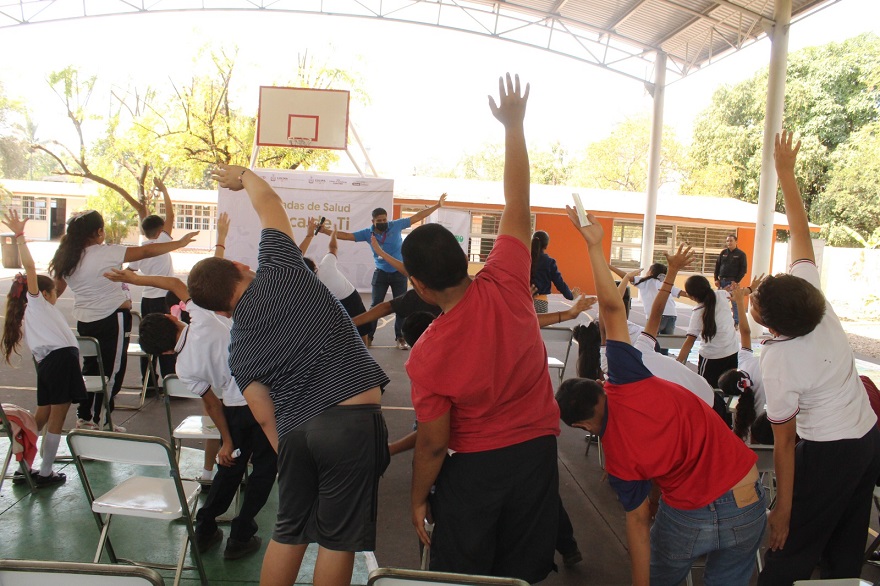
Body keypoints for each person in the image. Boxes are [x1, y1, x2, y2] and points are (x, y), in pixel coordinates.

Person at [189, 163, 390, 586]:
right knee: (338, 539)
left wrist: (290, 455)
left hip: (296, 436)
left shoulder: (238, 347)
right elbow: (270, 203)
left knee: (289, 530)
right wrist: (242, 176)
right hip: (349, 424)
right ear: (243, 267)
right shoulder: (281, 267)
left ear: (221, 311)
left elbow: (263, 416)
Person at [555, 204, 766, 586]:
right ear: (600, 386)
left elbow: (637, 522)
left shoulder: (617, 459)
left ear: (583, 423)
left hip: (690, 512)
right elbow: (611, 309)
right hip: (746, 493)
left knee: (663, 574)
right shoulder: (627, 372)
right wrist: (594, 246)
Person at [403, 74, 560, 584]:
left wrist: (419, 496)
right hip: (537, 454)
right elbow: (520, 205)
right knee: (523, 572)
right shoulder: (507, 278)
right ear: (466, 260)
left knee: (464, 575)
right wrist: (514, 126)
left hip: (477, 469)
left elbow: (432, 444)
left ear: (419, 287)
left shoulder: (426, 355)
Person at [754, 131, 880, 585]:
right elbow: (801, 235)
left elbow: (784, 445)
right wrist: (785, 173)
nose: (753, 293)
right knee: (846, 550)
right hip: (867, 437)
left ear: (773, 327)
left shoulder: (780, 359)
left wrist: (783, 511)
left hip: (831, 451)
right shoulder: (814, 306)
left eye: (756, 299)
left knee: (791, 547)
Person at [109, 258, 277, 561]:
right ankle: (240, 535)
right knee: (265, 469)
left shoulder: (183, 368)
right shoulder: (202, 318)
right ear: (173, 319)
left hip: (234, 412)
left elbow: (211, 404)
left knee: (230, 469)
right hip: (262, 400)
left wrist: (225, 440)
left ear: (162, 352)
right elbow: (175, 284)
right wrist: (137, 280)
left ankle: (205, 527)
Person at [49, 209, 197, 431]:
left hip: (85, 320)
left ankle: (89, 417)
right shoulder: (104, 253)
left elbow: (55, 291)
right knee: (112, 371)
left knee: (91, 368)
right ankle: (96, 422)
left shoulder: (67, 256)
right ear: (98, 232)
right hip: (112, 319)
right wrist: (178, 243)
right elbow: (146, 251)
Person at [1, 210, 86, 487]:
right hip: (61, 361)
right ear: (44, 294)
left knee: (42, 415)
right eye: (53, 294)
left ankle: (24, 465)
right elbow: (29, 269)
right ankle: (46, 472)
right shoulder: (37, 302)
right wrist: (20, 237)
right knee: (58, 419)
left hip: (48, 362)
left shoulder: (26, 314)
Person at [323, 193, 447, 348]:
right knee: (376, 305)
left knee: (402, 308)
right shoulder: (367, 233)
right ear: (373, 222)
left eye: (384, 220)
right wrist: (326, 231)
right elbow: (347, 236)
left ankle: (399, 338)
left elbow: (416, 217)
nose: (383, 223)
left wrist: (437, 206)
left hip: (399, 273)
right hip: (380, 273)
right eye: (379, 221)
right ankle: (369, 337)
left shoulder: (395, 225)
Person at [629, 245, 716, 408]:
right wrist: (673, 271)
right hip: (706, 398)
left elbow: (655, 315)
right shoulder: (641, 349)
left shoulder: (631, 368)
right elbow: (658, 312)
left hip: (698, 404)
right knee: (664, 349)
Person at [126, 177, 178, 386]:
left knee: (148, 340)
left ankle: (148, 384)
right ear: (159, 231)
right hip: (162, 299)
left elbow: (129, 271)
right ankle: (169, 382)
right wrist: (164, 190)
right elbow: (171, 214)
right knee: (167, 339)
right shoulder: (162, 242)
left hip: (147, 300)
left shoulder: (141, 249)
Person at [299, 218, 370, 345]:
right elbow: (333, 247)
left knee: (337, 333)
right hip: (349, 298)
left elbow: (294, 259)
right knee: (361, 330)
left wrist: (309, 235)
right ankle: (364, 352)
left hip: (332, 303)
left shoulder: (304, 284)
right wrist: (332, 234)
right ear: (314, 265)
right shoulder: (326, 266)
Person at [718, 280, 767, 442]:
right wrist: (740, 302)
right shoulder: (745, 363)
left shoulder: (747, 410)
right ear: (735, 371)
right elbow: (745, 332)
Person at [676, 274, 739, 389]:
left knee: (706, 390)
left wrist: (678, 362)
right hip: (732, 353)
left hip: (711, 358)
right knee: (729, 388)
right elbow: (731, 293)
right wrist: (750, 288)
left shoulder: (698, 312)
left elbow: (689, 341)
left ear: (692, 297)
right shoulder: (721, 295)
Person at [612, 262, 687, 334]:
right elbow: (682, 293)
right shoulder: (666, 284)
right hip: (672, 315)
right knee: (667, 342)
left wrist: (610, 267)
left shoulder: (644, 281)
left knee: (650, 340)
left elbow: (626, 276)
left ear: (651, 272)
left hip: (655, 315)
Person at [531, 230, 575, 313]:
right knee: (538, 325)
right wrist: (570, 295)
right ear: (546, 245)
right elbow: (559, 283)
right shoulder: (549, 262)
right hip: (540, 302)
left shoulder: (525, 259)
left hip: (523, 301)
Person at [714, 234, 747, 326]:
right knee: (719, 300)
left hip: (732, 282)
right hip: (722, 281)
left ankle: (736, 322)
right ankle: (717, 320)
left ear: (736, 242)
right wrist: (716, 279)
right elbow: (717, 266)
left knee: (734, 302)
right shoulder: (723, 253)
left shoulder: (741, 254)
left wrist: (736, 281)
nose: (729, 242)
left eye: (731, 240)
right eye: (727, 241)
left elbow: (743, 270)